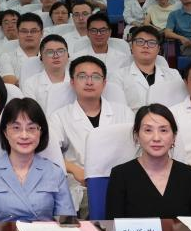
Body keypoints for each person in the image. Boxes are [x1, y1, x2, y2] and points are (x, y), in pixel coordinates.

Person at [48, 56, 134, 209]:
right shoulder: (59, 117)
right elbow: (49, 153)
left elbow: (138, 149)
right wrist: (75, 170)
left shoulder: (124, 112)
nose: (89, 82)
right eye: (82, 76)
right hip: (81, 189)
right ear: (72, 82)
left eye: (95, 77)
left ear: (104, 83)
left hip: (123, 186)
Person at [0, 97, 73, 222]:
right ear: (5, 133)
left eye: (31, 128)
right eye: (16, 128)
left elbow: (67, 224)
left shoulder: (55, 173)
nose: (24, 135)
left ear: (40, 132)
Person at [106, 104, 191, 219]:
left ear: (174, 136)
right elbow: (113, 226)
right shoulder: (120, 175)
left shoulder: (190, 176)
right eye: (148, 130)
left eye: (163, 130)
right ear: (137, 136)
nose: (156, 138)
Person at [117, 26, 188, 111]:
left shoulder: (173, 74)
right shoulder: (118, 76)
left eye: (151, 43)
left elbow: (181, 106)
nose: (146, 46)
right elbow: (118, 110)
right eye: (140, 42)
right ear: (131, 47)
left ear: (158, 49)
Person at [21, 34, 69, 111]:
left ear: (68, 55)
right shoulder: (30, 84)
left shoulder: (76, 81)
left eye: (60, 51)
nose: (56, 56)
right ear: (41, 58)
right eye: (50, 52)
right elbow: (32, 114)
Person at [0, 13, 43, 84]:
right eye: (24, 31)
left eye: (33, 31)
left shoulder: (50, 55)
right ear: (17, 33)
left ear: (42, 33)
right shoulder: (6, 57)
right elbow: (11, 84)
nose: (29, 35)